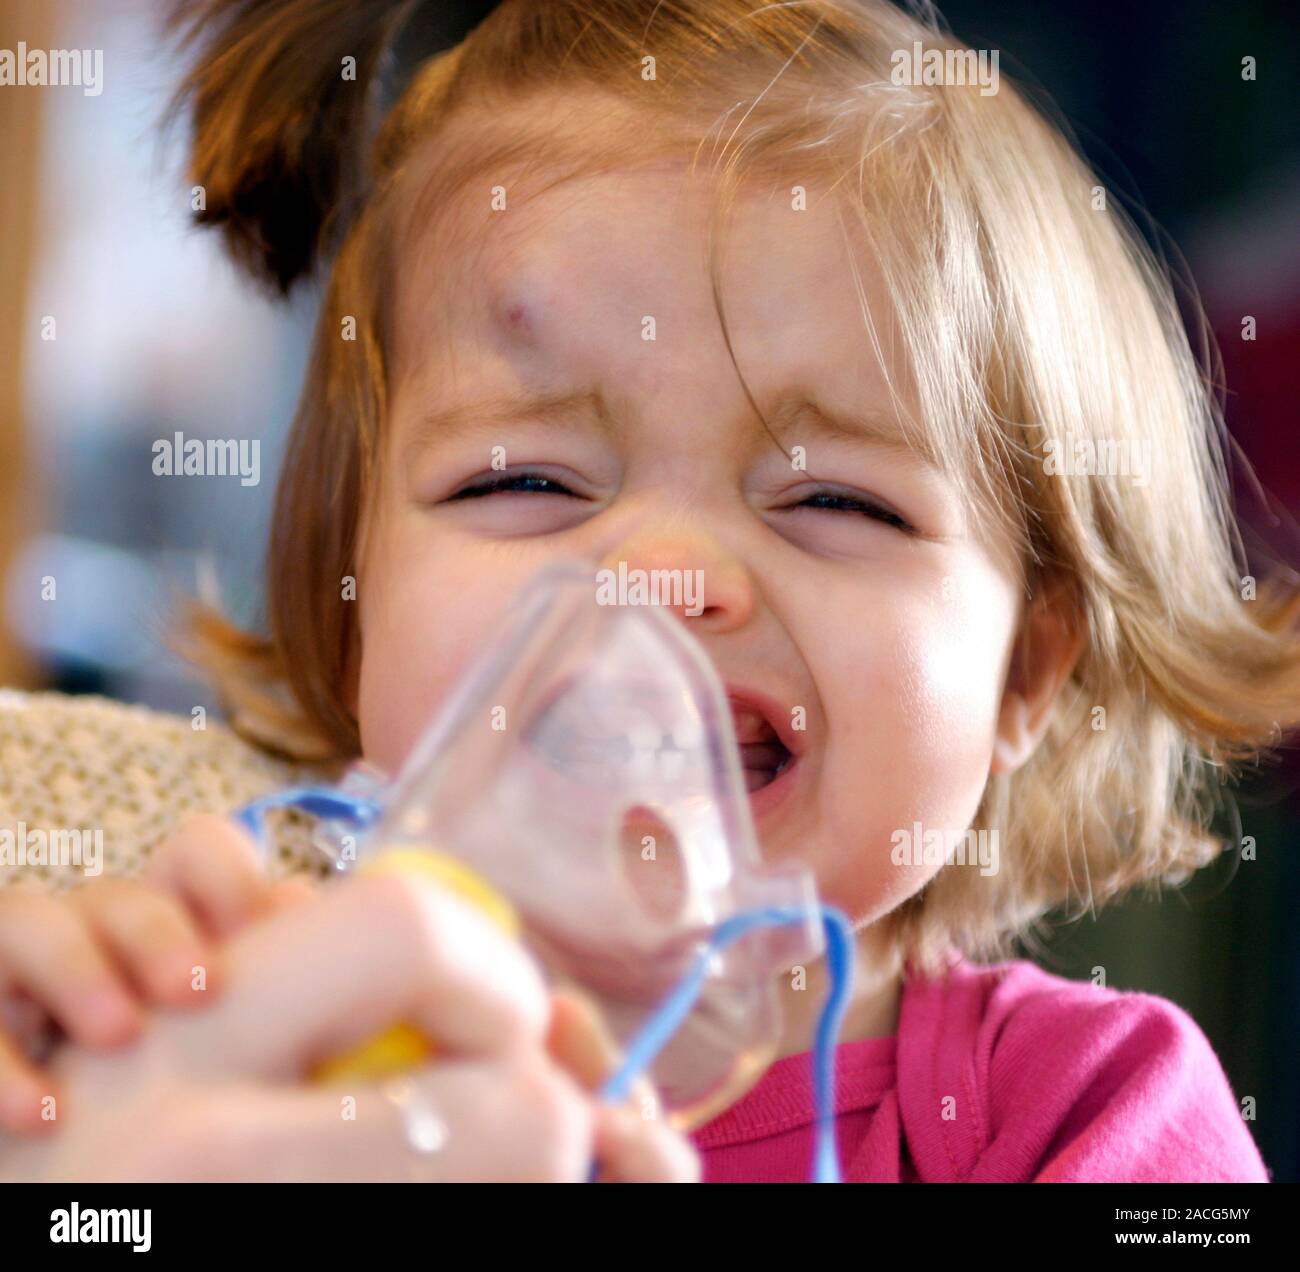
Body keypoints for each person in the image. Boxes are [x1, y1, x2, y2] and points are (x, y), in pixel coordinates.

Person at [1, 0, 1294, 1182]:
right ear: (356, 606)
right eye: (525, 482)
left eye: (836, 501)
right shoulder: (231, 1010)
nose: (659, 580)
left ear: (1025, 668)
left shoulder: (1084, 1110)